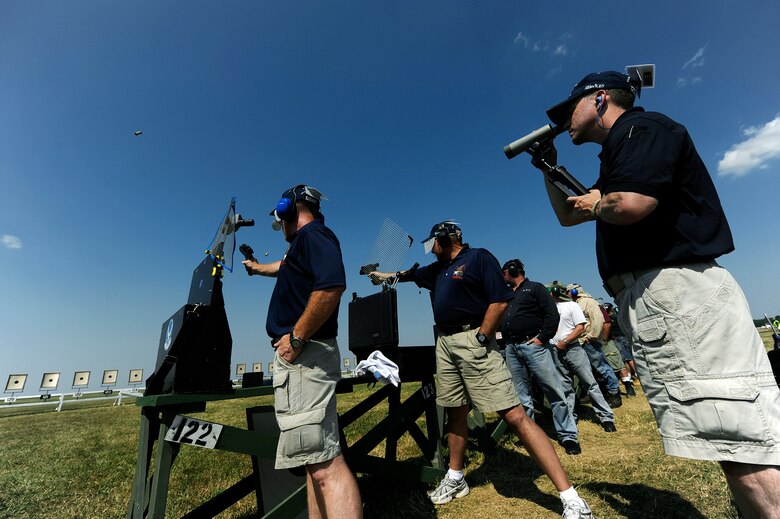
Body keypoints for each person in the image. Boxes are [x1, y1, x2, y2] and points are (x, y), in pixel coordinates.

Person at [535, 69, 780, 517]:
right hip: (659, 298)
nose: (562, 118)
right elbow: (571, 216)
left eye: (569, 107)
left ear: (601, 98)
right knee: (728, 443)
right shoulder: (622, 150)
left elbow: (627, 205)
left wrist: (598, 202)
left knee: (742, 443)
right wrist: (549, 168)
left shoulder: (641, 129)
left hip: (677, 293)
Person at [370, 222, 592, 518]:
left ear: (446, 238)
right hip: (445, 343)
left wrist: (482, 335)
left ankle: (570, 497)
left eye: (432, 244)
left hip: (473, 339)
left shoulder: (479, 258)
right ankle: (455, 477)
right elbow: (410, 274)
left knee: (514, 415)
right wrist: (384, 275)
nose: (430, 250)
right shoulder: (438, 269)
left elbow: (499, 300)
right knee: (455, 410)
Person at [242, 184, 362, 519]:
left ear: (287, 209)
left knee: (325, 466)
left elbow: (332, 286)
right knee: (313, 462)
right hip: (303, 357)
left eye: (280, 216)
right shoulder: (302, 247)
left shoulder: (313, 237)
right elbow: (281, 266)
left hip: (304, 355)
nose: (279, 224)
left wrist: (295, 339)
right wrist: (255, 267)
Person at [499, 259, 582, 455]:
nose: (502, 277)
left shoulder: (535, 288)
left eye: (504, 273)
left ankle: (568, 435)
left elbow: (552, 315)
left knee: (553, 390)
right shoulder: (508, 294)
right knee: (522, 396)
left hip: (533, 346)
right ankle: (529, 436)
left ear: (512, 270)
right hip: (512, 347)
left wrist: (541, 338)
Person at [549, 284, 617, 433]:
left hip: (573, 349)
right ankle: (570, 420)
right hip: (555, 351)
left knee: (590, 384)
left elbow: (580, 327)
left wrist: (565, 341)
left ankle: (606, 417)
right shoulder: (549, 308)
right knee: (565, 388)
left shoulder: (572, 305)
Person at [566, 283, 623, 407]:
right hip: (581, 341)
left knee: (602, 367)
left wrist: (591, 336)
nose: (566, 294)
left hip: (589, 341)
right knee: (589, 371)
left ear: (574, 292)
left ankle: (614, 394)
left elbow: (598, 320)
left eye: (568, 291)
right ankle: (597, 395)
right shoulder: (577, 303)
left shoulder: (588, 302)